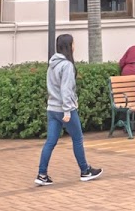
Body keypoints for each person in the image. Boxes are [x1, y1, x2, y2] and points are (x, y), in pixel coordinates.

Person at [37, 34, 104, 185]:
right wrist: (67, 111)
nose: (75, 46)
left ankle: (42, 174)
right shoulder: (66, 65)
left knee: (50, 142)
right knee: (78, 139)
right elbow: (66, 90)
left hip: (52, 109)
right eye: (73, 43)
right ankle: (85, 171)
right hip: (64, 109)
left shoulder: (52, 65)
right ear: (69, 46)